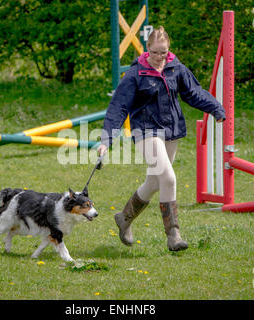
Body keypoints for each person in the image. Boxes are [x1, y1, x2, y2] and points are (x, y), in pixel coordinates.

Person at [97, 26, 226, 251]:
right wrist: (106, 141)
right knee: (168, 179)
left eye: (163, 52)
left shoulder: (176, 68)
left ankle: (124, 218)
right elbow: (118, 107)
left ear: (169, 50)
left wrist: (216, 109)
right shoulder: (136, 73)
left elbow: (193, 93)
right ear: (147, 49)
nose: (159, 57)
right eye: (156, 52)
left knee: (155, 182)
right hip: (146, 131)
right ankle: (173, 234)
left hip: (171, 130)